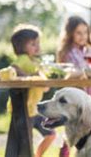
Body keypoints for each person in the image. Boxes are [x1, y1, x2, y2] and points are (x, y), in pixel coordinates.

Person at [9, 24, 56, 157]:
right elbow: (13, 68)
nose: (37, 46)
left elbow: (45, 87)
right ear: (21, 47)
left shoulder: (36, 61)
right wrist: (27, 76)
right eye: (33, 44)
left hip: (34, 110)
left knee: (51, 134)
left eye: (38, 43)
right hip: (23, 110)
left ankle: (37, 155)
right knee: (25, 142)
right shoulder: (23, 59)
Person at [57, 15, 91, 106]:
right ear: (70, 33)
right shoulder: (66, 52)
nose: (83, 36)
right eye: (78, 33)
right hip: (73, 98)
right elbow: (65, 74)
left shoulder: (90, 51)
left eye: (85, 32)